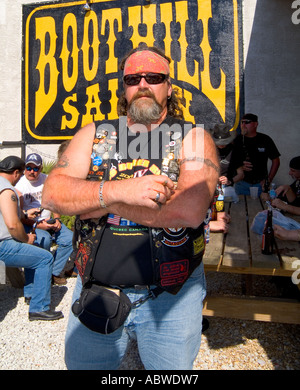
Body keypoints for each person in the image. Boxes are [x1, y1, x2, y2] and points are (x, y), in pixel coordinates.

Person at [42, 44, 219, 370]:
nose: (143, 84)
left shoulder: (191, 137)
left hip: (172, 299)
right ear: (124, 87)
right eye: (133, 78)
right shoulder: (95, 134)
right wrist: (122, 191)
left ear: (168, 86)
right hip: (95, 290)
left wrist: (105, 203)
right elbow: (53, 193)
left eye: (153, 76)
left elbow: (189, 210)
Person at [0, 156, 63, 321]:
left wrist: (26, 213)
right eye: (20, 174)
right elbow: (13, 225)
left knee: (32, 254)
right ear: (15, 173)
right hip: (2, 246)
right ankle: (39, 308)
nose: (20, 178)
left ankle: (30, 294)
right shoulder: (7, 190)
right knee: (44, 258)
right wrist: (26, 239)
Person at [16, 153, 73, 285]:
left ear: (41, 169)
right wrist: (40, 225)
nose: (32, 171)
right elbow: (21, 216)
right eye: (29, 168)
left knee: (69, 239)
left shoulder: (47, 179)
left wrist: (57, 219)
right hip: (32, 224)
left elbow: (55, 202)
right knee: (44, 240)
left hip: (49, 221)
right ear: (24, 168)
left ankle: (52, 272)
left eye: (35, 168)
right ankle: (39, 276)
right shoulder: (19, 186)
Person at [229, 113, 280, 196]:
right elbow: (227, 161)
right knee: (240, 207)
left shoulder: (265, 139)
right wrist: (239, 167)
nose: (243, 125)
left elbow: (276, 161)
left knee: (261, 207)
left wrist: (269, 180)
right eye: (242, 122)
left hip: (260, 184)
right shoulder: (236, 140)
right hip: (241, 184)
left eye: (247, 122)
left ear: (255, 124)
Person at [210, 123, 243, 202]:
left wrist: (229, 181)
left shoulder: (234, 151)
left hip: (226, 189)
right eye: (219, 142)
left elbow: (241, 174)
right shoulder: (209, 149)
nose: (221, 144)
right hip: (209, 188)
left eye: (224, 142)